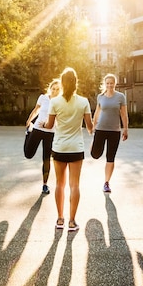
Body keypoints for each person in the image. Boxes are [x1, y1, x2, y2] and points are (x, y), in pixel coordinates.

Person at [44, 68, 94, 231]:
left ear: (62, 83)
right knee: (74, 185)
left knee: (59, 184)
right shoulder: (83, 101)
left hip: (59, 147)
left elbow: (49, 125)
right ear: (76, 82)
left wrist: (44, 123)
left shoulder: (55, 102)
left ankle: (60, 220)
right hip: (76, 148)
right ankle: (72, 221)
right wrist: (93, 125)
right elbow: (90, 127)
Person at [91, 73, 129, 193]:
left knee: (110, 157)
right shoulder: (100, 97)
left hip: (114, 131)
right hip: (100, 129)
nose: (109, 85)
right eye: (107, 83)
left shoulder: (120, 97)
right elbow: (97, 112)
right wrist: (93, 125)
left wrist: (125, 129)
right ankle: (94, 144)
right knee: (95, 155)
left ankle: (106, 182)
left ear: (115, 84)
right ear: (105, 84)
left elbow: (123, 114)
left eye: (111, 83)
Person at [24, 79, 61, 194]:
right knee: (28, 154)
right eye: (53, 89)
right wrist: (29, 120)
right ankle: (28, 134)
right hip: (37, 129)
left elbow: (60, 118)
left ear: (60, 90)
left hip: (50, 132)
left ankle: (45, 184)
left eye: (57, 89)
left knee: (46, 158)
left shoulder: (61, 101)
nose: (55, 91)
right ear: (50, 88)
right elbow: (36, 110)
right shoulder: (43, 98)